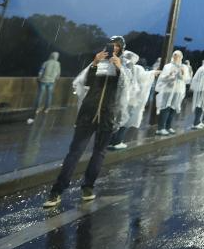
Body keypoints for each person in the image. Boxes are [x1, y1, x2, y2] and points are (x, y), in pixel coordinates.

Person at [43, 37, 128, 208]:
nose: (114, 49)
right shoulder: (97, 63)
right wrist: (95, 63)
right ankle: (57, 191)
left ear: (121, 50)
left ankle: (88, 187)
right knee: (75, 152)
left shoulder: (123, 68)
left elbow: (124, 88)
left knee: (99, 153)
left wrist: (119, 68)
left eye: (118, 47)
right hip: (88, 114)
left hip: (107, 115)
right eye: (112, 46)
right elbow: (85, 83)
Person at [109, 50, 153, 149]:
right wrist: (153, 73)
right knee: (124, 121)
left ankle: (110, 141)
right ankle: (117, 141)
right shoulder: (133, 68)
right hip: (130, 100)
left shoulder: (120, 66)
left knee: (116, 120)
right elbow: (141, 80)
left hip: (118, 99)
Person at [155, 50, 191, 135]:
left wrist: (183, 73)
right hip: (168, 90)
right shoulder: (168, 66)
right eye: (174, 55)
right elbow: (162, 78)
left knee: (173, 109)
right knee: (165, 108)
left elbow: (187, 80)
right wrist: (169, 75)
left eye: (178, 55)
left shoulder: (184, 67)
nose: (176, 57)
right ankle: (161, 128)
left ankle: (168, 127)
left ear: (181, 57)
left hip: (178, 91)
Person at [28, 51, 62, 123]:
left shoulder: (46, 62)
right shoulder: (58, 64)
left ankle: (37, 109)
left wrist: (39, 77)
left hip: (43, 80)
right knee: (49, 95)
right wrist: (54, 78)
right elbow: (58, 74)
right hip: (51, 81)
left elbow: (41, 71)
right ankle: (47, 108)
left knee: (40, 95)